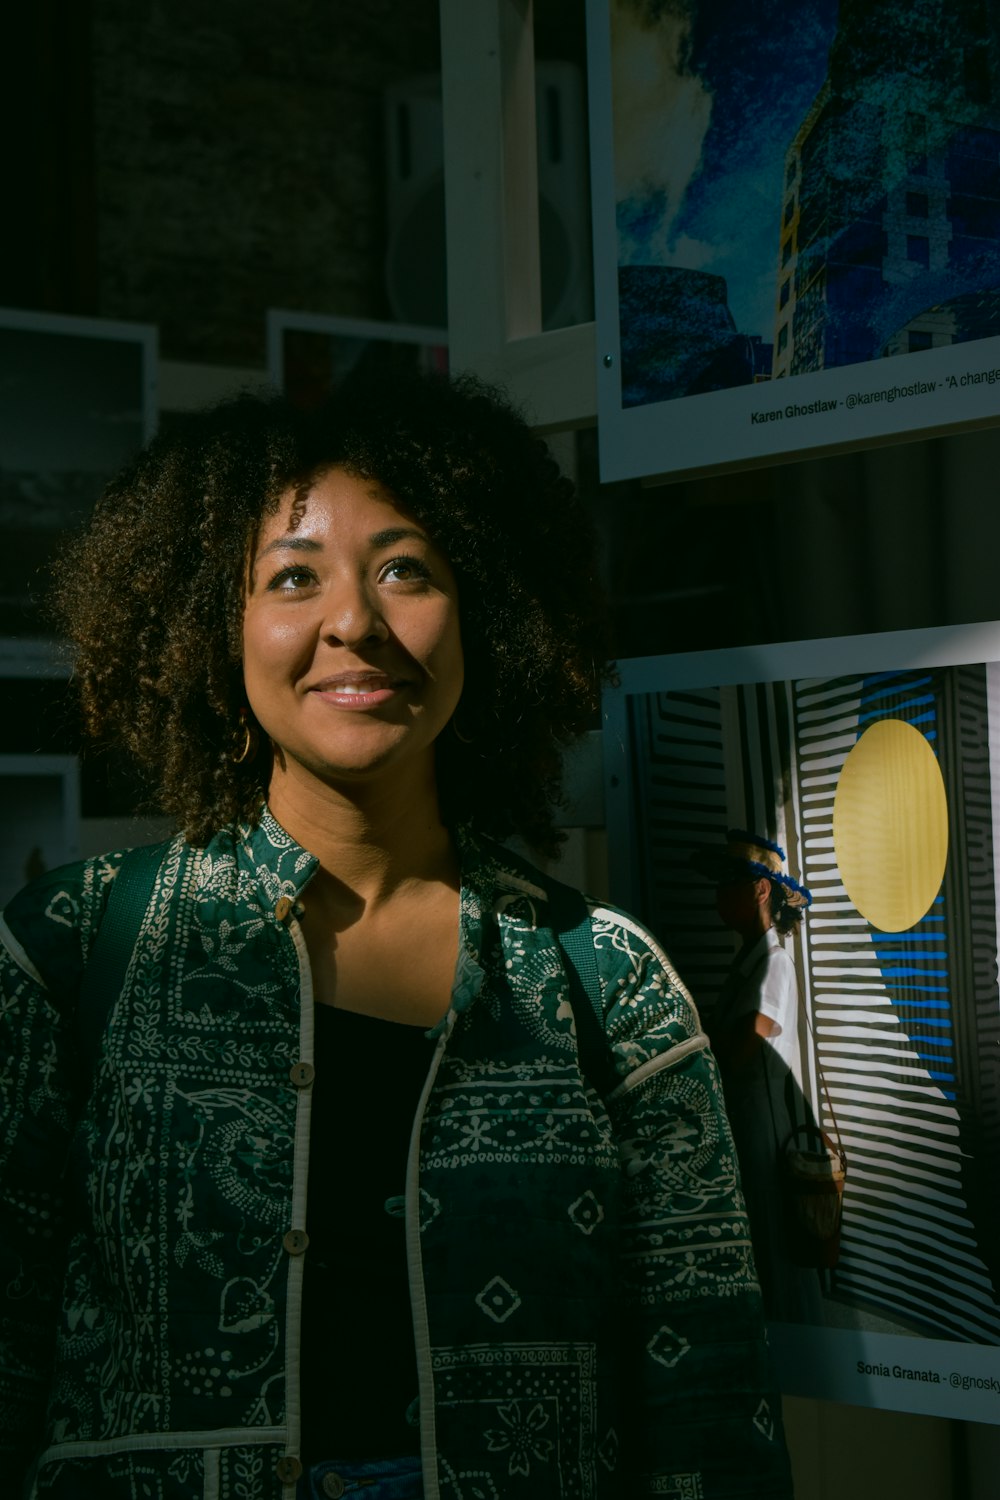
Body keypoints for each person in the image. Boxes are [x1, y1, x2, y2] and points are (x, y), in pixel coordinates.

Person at [0, 375, 793, 1499]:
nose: (355, 623)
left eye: (406, 569)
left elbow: (710, 1407)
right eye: (291, 577)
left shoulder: (607, 981)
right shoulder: (75, 950)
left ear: (491, 611)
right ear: (207, 626)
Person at [693, 829, 825, 1324]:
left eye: (730, 882)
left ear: (760, 890)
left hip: (765, 1131)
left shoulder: (772, 964)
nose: (718, 896)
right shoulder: (747, 961)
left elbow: (751, 1039)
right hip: (746, 1124)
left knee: (775, 1248)